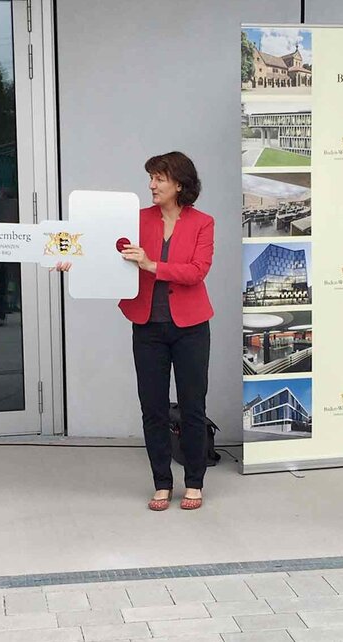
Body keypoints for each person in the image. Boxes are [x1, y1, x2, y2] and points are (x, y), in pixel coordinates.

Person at [59, 151, 215, 511]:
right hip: (146, 326)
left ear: (180, 183)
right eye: (151, 178)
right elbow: (99, 246)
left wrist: (151, 264)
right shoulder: (136, 218)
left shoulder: (203, 223)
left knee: (193, 407)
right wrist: (69, 259)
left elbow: (196, 272)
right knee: (153, 407)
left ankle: (194, 482)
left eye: (159, 178)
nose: (151, 185)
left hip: (191, 327)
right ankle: (162, 483)